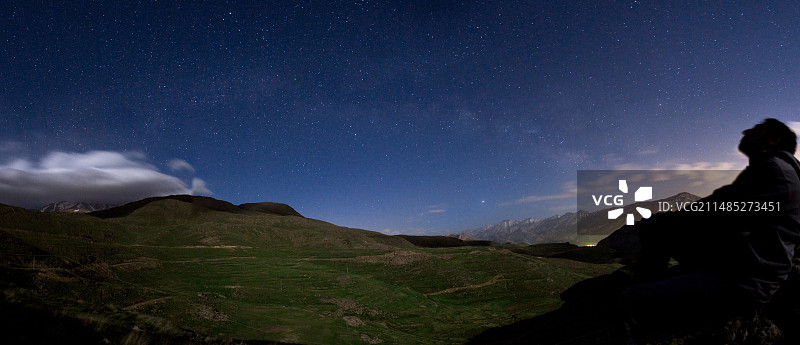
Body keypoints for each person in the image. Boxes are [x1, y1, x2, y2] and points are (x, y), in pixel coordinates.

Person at [619, 118, 800, 343]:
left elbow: (713, 210)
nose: (746, 130)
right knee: (662, 227)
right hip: (753, 268)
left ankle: (643, 304)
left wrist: (661, 223)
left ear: (772, 140)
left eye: (757, 129)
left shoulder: (771, 170)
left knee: (630, 300)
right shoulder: (784, 172)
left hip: (743, 282)